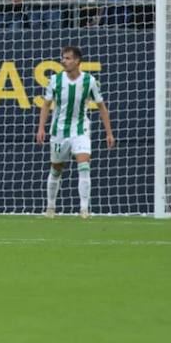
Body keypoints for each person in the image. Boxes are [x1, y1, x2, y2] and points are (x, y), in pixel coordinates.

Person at [36, 44, 115, 218]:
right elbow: (46, 105)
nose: (64, 61)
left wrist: (108, 132)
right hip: (59, 131)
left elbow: (102, 107)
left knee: (84, 165)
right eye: (63, 58)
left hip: (80, 129)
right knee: (56, 168)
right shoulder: (55, 80)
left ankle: (84, 209)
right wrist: (41, 128)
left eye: (68, 58)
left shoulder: (90, 81)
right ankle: (50, 207)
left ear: (77, 61)